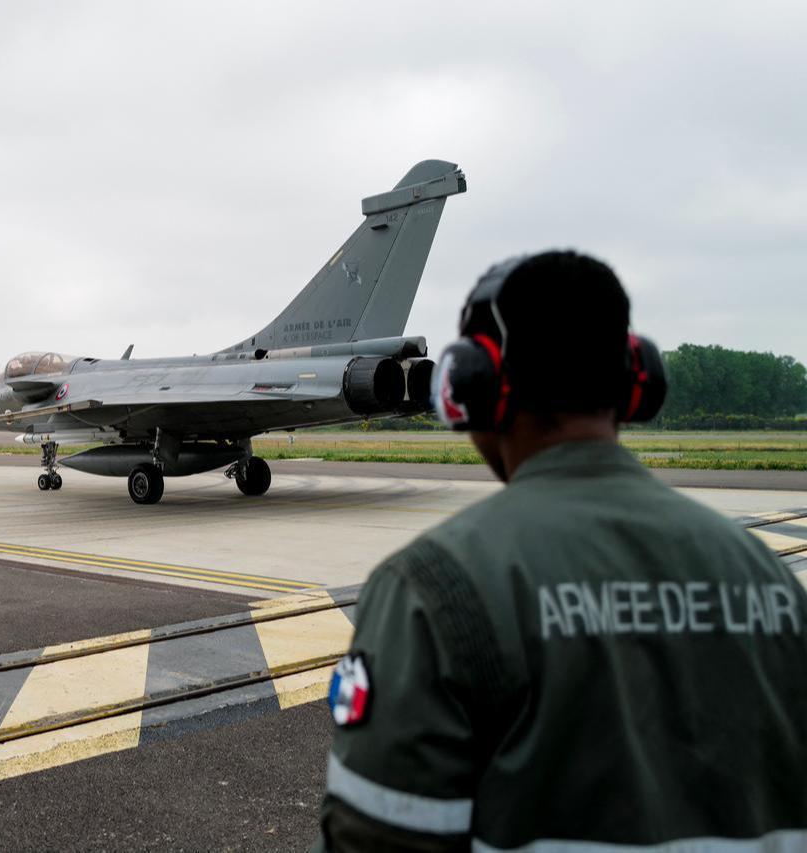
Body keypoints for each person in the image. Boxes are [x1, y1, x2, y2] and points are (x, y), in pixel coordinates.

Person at [318, 251, 807, 851]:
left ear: (471, 386)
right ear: (636, 382)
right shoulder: (767, 576)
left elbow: (376, 839)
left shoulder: (433, 588)